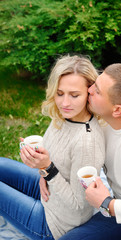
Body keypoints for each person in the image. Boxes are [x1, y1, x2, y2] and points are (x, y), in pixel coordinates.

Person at [0, 55, 105, 240]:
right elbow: (52, 156)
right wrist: (41, 167)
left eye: (74, 95)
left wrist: (48, 169)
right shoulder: (64, 116)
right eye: (59, 93)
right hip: (48, 191)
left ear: (90, 92)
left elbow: (78, 208)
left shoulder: (87, 143)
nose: (64, 103)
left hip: (55, 224)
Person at [59, 63, 121, 240]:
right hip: (119, 207)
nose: (89, 90)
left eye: (97, 91)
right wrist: (47, 170)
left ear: (117, 110)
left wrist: (109, 205)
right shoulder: (105, 118)